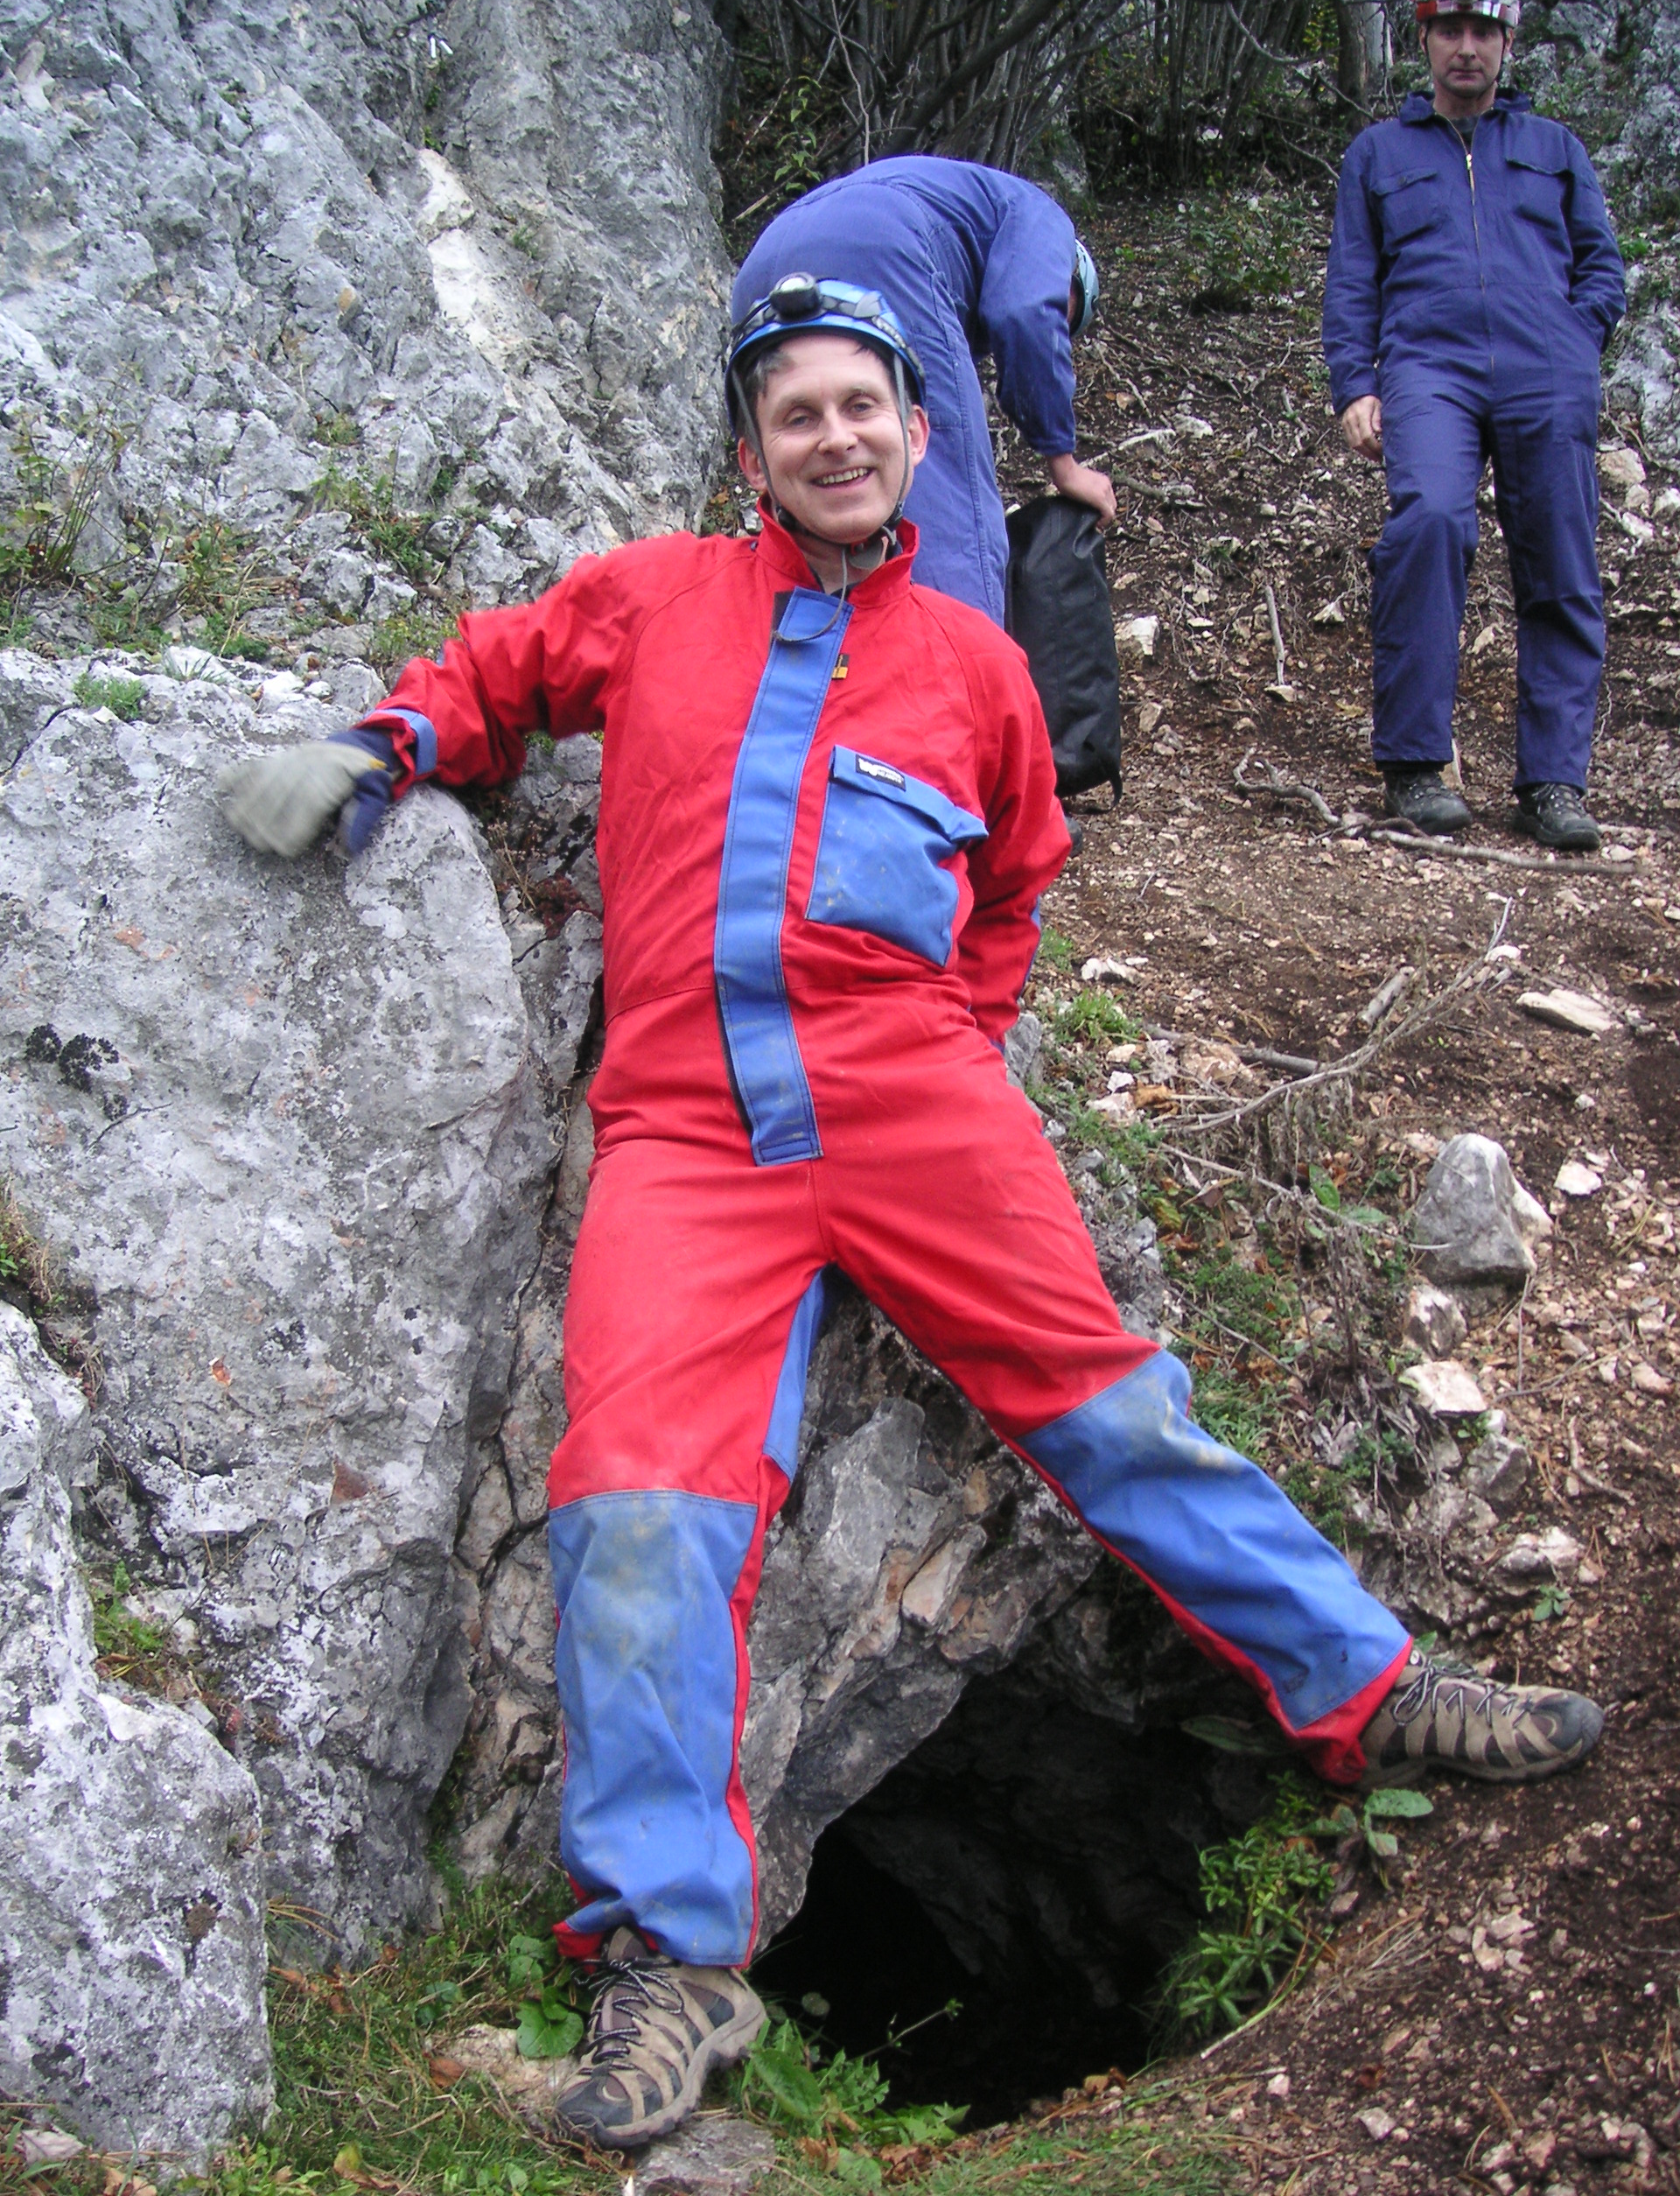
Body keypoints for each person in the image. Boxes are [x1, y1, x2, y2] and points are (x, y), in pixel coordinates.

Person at [218, 279, 1604, 2154]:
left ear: (915, 432)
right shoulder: (649, 598)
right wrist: (382, 746)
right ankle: (673, 1959)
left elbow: (1016, 882)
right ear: (751, 451)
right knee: (634, 1501)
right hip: (688, 1135)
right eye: (796, 412)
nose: (835, 436)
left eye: (861, 405)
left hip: (919, 1104)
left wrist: (954, 1051)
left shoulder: (975, 663)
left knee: (1117, 1414)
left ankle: (1374, 1692)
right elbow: (497, 675)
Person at [1323, 0, 1625, 850]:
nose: (1466, 47)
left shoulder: (1556, 150)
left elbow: (1603, 267)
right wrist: (1356, 384)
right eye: (1449, 30)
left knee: (1561, 562)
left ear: (1506, 41)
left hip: (1546, 372)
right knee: (1429, 522)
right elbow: (1352, 282)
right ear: (1423, 38)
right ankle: (1416, 765)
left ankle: (1554, 783)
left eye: (1482, 31)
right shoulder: (1379, 154)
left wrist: (1574, 342)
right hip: (1429, 367)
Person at [733, 158, 1116, 628]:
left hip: (763, 263)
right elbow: (1027, 313)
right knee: (950, 518)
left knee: (810, 498)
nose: (1061, 321)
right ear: (1074, 273)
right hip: (885, 250)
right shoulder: (1042, 217)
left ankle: (808, 656)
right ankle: (964, 666)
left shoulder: (960, 197)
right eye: (1068, 314)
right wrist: (1064, 463)